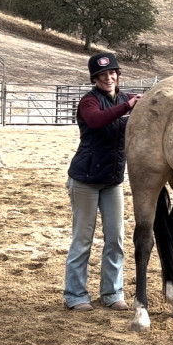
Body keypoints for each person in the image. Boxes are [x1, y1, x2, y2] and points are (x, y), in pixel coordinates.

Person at [64, 52, 141, 311]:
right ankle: (75, 296)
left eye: (112, 73)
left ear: (118, 74)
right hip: (85, 180)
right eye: (102, 75)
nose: (109, 77)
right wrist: (128, 107)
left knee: (115, 238)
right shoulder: (89, 102)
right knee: (83, 239)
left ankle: (112, 292)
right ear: (95, 78)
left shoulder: (124, 98)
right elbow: (97, 121)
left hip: (113, 180)